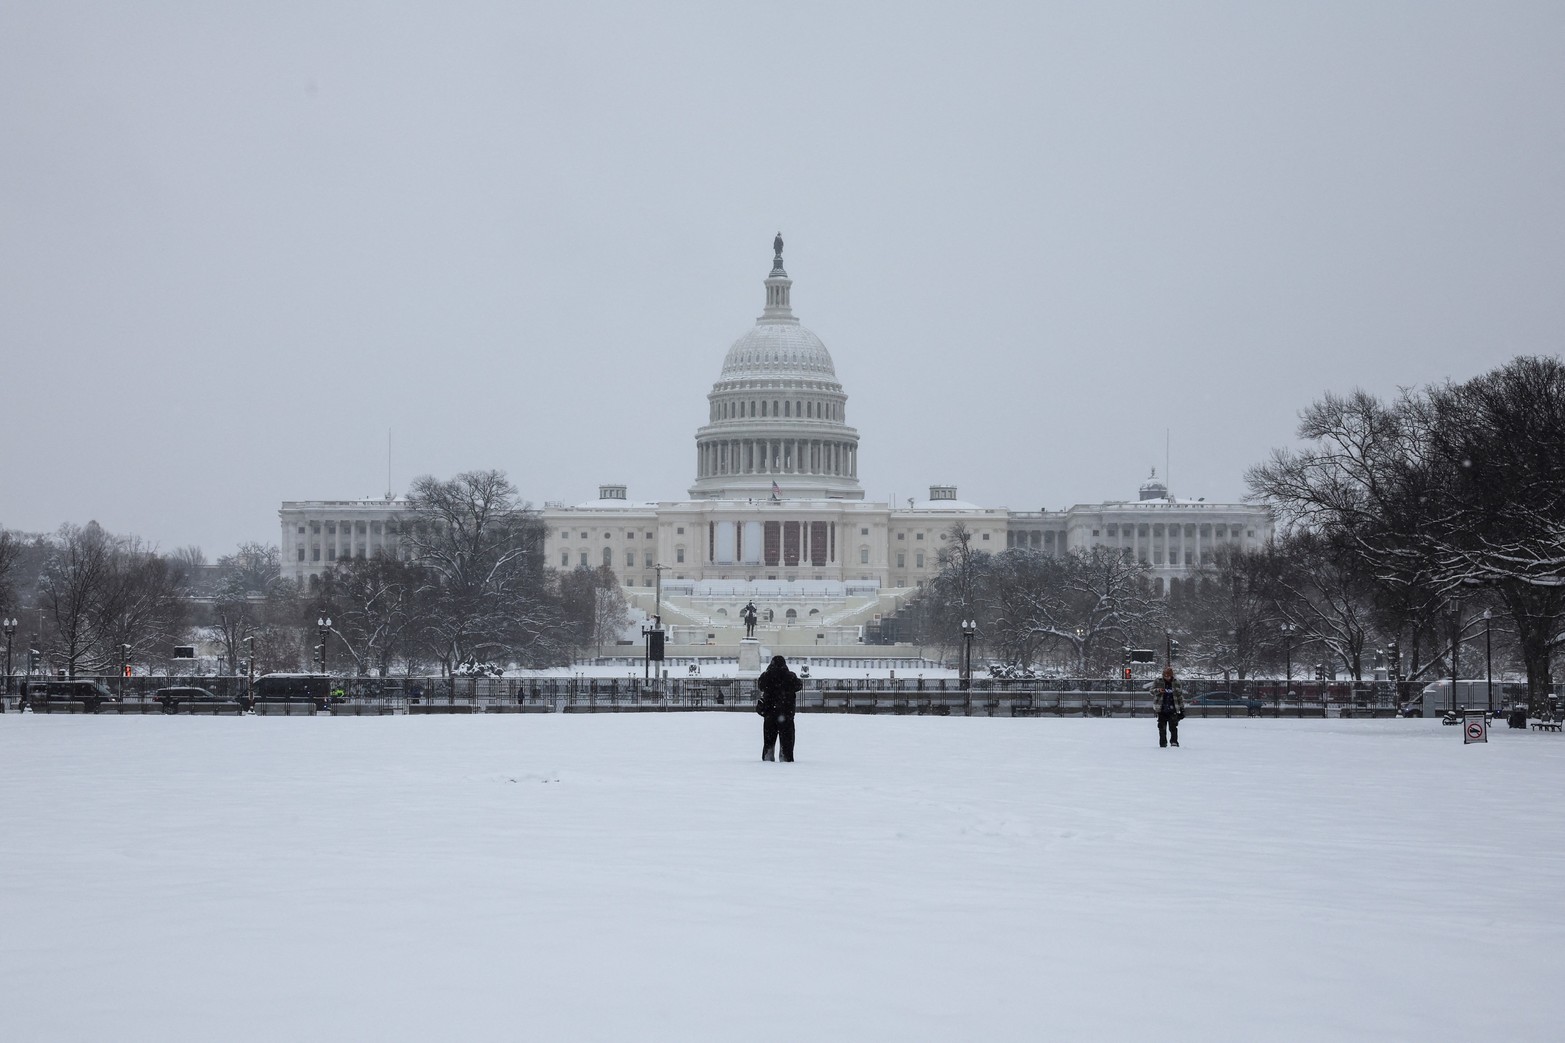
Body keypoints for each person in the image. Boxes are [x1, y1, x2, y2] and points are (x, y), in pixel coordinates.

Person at [755, 654, 803, 762]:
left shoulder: (766, 676)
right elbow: (799, 685)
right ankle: (785, 757)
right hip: (786, 713)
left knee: (769, 740)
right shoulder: (790, 676)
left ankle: (768, 756)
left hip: (769, 713)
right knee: (787, 740)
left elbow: (761, 685)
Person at [1154, 666, 1185, 747]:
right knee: (1162, 727)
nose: (1167, 677)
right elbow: (1151, 691)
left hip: (1173, 708)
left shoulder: (1177, 682)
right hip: (1162, 708)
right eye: (1165, 676)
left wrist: (1182, 709)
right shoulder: (1158, 681)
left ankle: (1174, 742)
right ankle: (1163, 743)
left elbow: (1180, 696)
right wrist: (1158, 690)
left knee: (1173, 727)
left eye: (1169, 676)